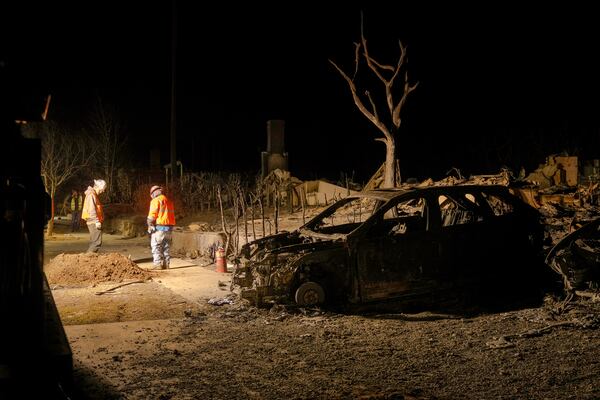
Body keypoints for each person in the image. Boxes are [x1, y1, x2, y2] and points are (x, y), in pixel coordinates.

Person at [147, 185, 176, 269]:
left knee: (156, 245)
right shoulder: (169, 201)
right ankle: (166, 264)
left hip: (160, 227)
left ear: (153, 193)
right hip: (169, 228)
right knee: (166, 246)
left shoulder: (156, 200)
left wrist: (149, 223)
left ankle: (157, 264)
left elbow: (152, 215)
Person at [82, 179, 106, 253]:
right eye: (102, 189)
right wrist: (97, 221)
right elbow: (92, 210)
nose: (103, 191)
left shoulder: (92, 194)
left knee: (94, 242)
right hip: (93, 221)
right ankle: (87, 259)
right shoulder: (91, 195)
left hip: (92, 221)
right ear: (99, 187)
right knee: (96, 243)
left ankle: (88, 259)